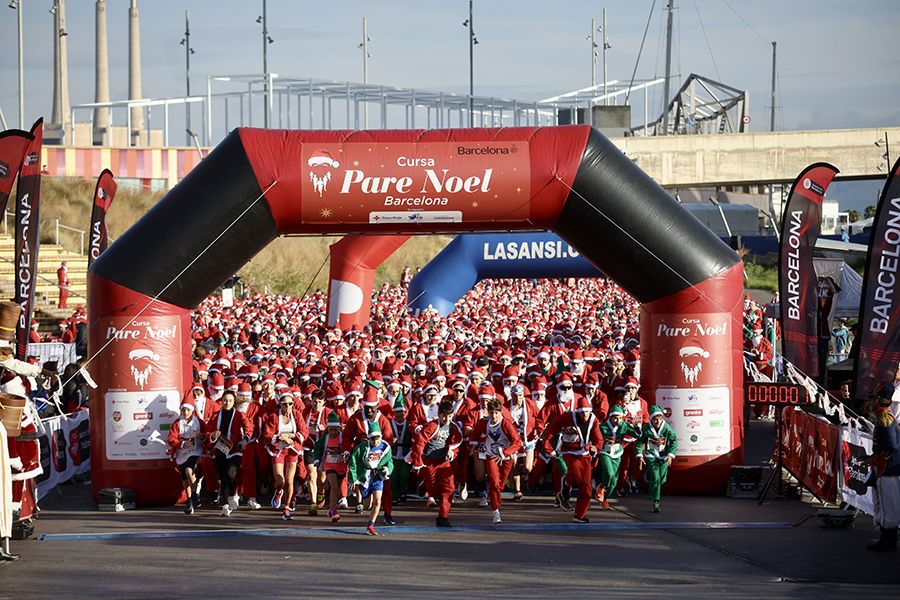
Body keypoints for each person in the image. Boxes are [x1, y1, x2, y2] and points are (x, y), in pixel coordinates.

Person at [542, 395, 602, 523]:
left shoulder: (594, 421)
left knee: (586, 487)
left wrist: (595, 448)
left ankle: (579, 514)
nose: (584, 414)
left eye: (587, 411)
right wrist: (549, 448)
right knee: (575, 475)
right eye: (581, 412)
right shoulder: (567, 417)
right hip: (568, 452)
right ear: (577, 411)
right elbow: (551, 429)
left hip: (584, 454)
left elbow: (598, 439)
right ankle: (566, 486)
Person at [410, 400, 463, 527]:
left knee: (449, 489)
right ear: (439, 415)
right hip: (429, 461)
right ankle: (425, 484)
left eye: (450, 416)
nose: (447, 419)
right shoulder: (432, 426)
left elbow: (457, 441)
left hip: (443, 461)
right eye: (444, 416)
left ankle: (442, 517)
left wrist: (451, 451)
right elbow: (419, 442)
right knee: (434, 490)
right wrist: (418, 462)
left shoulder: (453, 427)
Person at [470, 397, 522, 524]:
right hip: (491, 456)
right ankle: (496, 511)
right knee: (494, 483)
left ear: (501, 412)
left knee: (500, 485)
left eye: (496, 413)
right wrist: (473, 446)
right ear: (488, 412)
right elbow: (475, 434)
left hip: (505, 458)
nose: (494, 416)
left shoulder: (506, 424)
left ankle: (495, 495)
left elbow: (517, 442)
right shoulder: (483, 423)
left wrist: (505, 453)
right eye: (491, 412)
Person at [204, 390, 252, 517]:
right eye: (225, 400)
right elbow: (208, 432)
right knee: (223, 476)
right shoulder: (215, 416)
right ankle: (225, 505)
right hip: (220, 449)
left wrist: (244, 440)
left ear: (234, 401)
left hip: (235, 449)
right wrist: (213, 435)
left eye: (230, 400)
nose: (227, 403)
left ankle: (233, 495)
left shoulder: (240, 415)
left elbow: (249, 429)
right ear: (221, 401)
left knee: (231, 473)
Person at [263, 392, 309, 520]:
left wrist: (291, 436)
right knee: (280, 481)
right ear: (280, 404)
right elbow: (267, 435)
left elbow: (304, 432)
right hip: (278, 450)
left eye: (290, 404)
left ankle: (287, 508)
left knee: (289, 481)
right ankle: (278, 491)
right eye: (285, 404)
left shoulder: (296, 415)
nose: (288, 406)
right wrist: (279, 437)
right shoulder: (273, 417)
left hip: (292, 450)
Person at [347, 421, 393, 536]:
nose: (375, 441)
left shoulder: (385, 447)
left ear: (381, 437)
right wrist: (352, 479)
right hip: (365, 477)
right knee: (367, 505)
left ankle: (371, 525)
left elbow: (389, 461)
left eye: (377, 438)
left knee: (378, 501)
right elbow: (353, 462)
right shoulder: (361, 448)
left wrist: (386, 469)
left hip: (377, 476)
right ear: (369, 438)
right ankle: (363, 502)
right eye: (372, 439)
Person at [867, 391, 900, 551]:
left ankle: (889, 542)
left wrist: (877, 459)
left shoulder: (885, 419)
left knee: (888, 506)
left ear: (879, 401)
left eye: (872, 399)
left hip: (887, 470)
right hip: (884, 469)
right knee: (882, 504)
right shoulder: (883, 417)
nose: (870, 402)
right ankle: (885, 539)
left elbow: (892, 446)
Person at [595, 405, 639, 509]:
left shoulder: (623, 425)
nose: (617, 420)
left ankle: (604, 499)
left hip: (617, 453)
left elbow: (636, 435)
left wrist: (636, 428)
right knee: (609, 473)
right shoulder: (603, 427)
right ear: (610, 417)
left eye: (619, 418)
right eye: (615, 418)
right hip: (605, 452)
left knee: (614, 481)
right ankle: (601, 487)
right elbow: (595, 437)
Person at [167, 396, 203, 514]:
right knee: (185, 480)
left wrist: (201, 436)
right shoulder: (177, 423)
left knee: (189, 471)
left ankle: (194, 495)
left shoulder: (198, 422)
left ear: (192, 410)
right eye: (183, 410)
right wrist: (182, 444)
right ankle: (189, 501)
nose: (185, 412)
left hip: (195, 451)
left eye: (188, 410)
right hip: (181, 453)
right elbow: (171, 439)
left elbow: (206, 435)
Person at [638, 405, 678, 513]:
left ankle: (654, 484)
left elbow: (674, 441)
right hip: (651, 455)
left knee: (661, 478)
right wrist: (640, 455)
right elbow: (640, 441)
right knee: (656, 478)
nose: (658, 421)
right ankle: (656, 501)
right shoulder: (646, 428)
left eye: (660, 419)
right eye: (655, 419)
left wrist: (670, 455)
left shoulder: (667, 428)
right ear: (651, 419)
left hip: (663, 455)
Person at [313, 412, 348, 523]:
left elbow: (349, 447)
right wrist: (317, 460)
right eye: (330, 429)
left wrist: (347, 455)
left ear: (339, 428)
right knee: (333, 486)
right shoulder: (326, 438)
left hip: (341, 465)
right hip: (329, 465)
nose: (333, 432)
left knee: (337, 488)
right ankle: (333, 510)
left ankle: (331, 508)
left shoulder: (343, 437)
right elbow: (318, 447)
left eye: (335, 430)